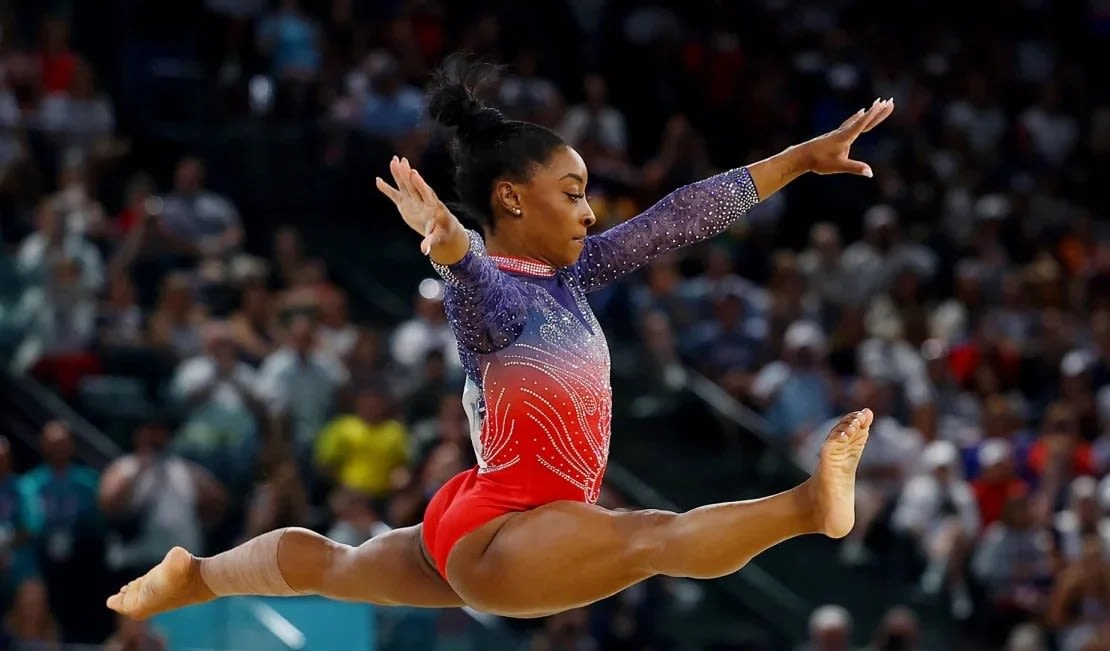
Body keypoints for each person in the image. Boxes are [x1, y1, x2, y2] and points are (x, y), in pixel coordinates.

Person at [107, 59, 893, 621]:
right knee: (651, 537)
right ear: (512, 199)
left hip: (480, 520)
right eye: (574, 193)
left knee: (335, 565)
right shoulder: (496, 298)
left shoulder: (573, 280)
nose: (590, 213)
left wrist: (797, 161)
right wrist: (448, 239)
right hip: (507, 532)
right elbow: (465, 276)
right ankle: (805, 507)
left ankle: (197, 576)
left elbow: (673, 219)